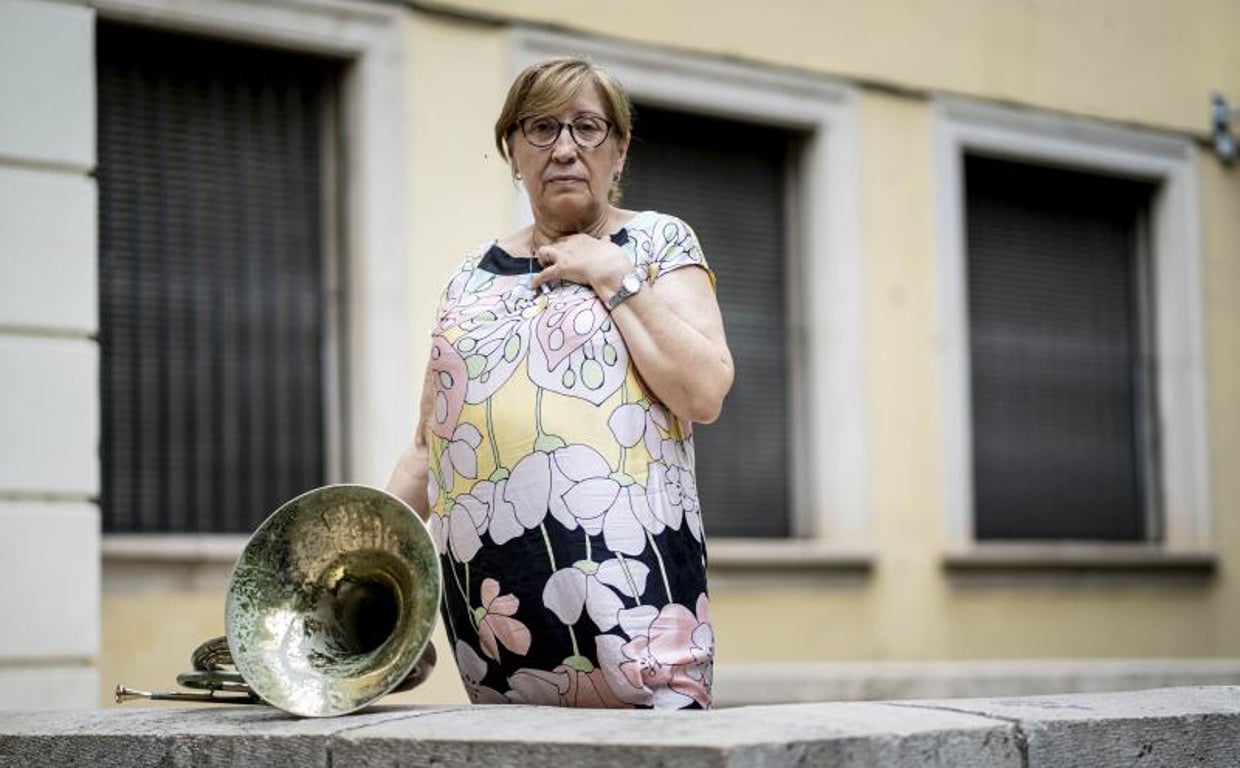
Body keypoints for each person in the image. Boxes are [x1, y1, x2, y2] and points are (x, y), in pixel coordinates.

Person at [386, 57, 733, 709]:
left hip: (641, 631)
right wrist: (370, 559)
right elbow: (424, 447)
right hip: (494, 637)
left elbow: (705, 388)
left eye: (587, 127)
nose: (566, 148)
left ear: (620, 150)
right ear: (512, 150)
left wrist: (610, 271)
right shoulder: (468, 280)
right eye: (541, 128)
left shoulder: (656, 241)